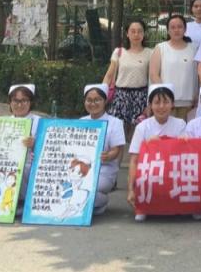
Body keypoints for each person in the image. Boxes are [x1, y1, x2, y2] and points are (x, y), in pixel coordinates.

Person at [127, 84, 186, 222]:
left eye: (166, 102)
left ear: (172, 104)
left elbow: (186, 154)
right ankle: (144, 206)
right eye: (157, 102)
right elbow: (134, 160)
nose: (161, 106)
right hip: (151, 172)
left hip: (172, 171)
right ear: (150, 105)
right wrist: (131, 189)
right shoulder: (142, 127)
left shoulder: (180, 124)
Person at [79, 84, 126, 216]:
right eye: (89, 100)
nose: (92, 103)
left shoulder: (115, 122)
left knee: (86, 188)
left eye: (97, 100)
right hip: (81, 169)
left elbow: (117, 150)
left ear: (105, 101)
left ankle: (102, 201)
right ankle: (93, 205)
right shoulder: (81, 121)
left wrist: (109, 156)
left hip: (104, 170)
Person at [103, 19, 151, 139]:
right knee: (117, 135)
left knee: (137, 136)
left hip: (141, 97)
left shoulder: (150, 53)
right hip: (120, 97)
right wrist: (101, 93)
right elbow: (109, 75)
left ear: (144, 33)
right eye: (133, 31)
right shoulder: (119, 52)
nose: (136, 34)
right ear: (127, 33)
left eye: (139, 31)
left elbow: (152, 79)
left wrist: (150, 102)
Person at [149, 14, 198, 121]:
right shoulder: (160, 48)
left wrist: (197, 95)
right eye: (173, 27)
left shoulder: (194, 48)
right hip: (166, 103)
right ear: (168, 30)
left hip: (188, 102)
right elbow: (154, 74)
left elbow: (197, 74)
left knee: (185, 131)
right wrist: (165, 95)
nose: (176, 30)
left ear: (185, 29)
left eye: (180, 27)